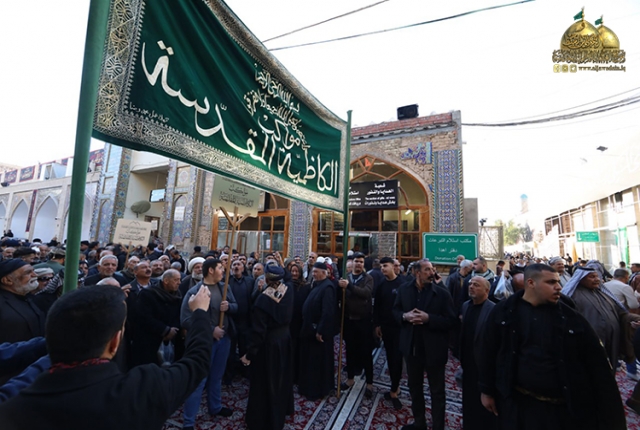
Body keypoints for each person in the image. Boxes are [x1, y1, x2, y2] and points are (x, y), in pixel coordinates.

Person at [0, 283, 214, 430]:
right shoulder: (141, 390)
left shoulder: (12, 410)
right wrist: (200, 313)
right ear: (115, 342)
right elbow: (196, 361)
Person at [479, 264, 627, 430]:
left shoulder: (570, 318)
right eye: (550, 282)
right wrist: (487, 390)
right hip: (518, 405)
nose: (558, 287)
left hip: (562, 409)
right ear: (531, 283)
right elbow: (488, 351)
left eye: (557, 282)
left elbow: (598, 367)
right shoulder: (505, 312)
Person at [393, 259, 457, 430]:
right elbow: (395, 311)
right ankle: (419, 422)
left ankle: (438, 426)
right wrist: (404, 317)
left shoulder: (442, 293)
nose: (431, 273)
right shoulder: (404, 290)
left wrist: (429, 319)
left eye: (432, 269)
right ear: (416, 272)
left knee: (437, 391)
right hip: (412, 348)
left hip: (434, 349)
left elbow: (451, 321)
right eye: (427, 270)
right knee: (415, 387)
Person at [181, 258, 238, 429]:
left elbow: (236, 306)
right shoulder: (196, 292)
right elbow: (185, 319)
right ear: (211, 270)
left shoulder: (224, 288)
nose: (223, 270)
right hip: (205, 343)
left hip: (224, 340)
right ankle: (189, 421)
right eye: (220, 268)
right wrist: (211, 329)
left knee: (217, 376)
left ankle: (215, 406)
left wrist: (229, 307)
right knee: (199, 380)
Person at [241, 265, 294, 430]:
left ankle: (265, 420)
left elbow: (258, 332)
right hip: (285, 339)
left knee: (265, 383)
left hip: (269, 345)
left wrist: (249, 354)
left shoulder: (263, 300)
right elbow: (289, 278)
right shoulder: (288, 290)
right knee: (282, 378)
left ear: (266, 279)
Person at [459, 277, 496, 430]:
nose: (471, 287)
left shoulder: (493, 310)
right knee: (469, 401)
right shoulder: (466, 306)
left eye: (476, 285)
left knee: (484, 407)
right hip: (467, 363)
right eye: (470, 284)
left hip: (483, 365)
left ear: (487, 290)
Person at [0, 259, 45, 384]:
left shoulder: (27, 298)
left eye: (33, 271)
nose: (35, 275)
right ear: (7, 280)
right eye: (28, 273)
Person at [298, 261, 336, 400]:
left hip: (318, 332)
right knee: (309, 360)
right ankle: (308, 386)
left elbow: (328, 311)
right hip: (310, 329)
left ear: (324, 273)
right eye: (312, 272)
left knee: (317, 363)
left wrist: (320, 330)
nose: (313, 274)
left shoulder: (328, 287)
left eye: (316, 272)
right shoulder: (317, 285)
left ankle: (316, 390)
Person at [338, 252, 374, 397]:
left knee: (365, 351)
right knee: (350, 350)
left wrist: (350, 287)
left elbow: (366, 293)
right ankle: (350, 378)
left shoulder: (368, 278)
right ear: (351, 263)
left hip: (363, 320)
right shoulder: (346, 277)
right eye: (356, 261)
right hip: (349, 320)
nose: (358, 264)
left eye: (361, 262)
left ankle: (369, 383)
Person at [131, 269, 183, 366]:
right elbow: (144, 317)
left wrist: (173, 330)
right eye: (176, 280)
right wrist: (165, 330)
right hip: (149, 341)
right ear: (166, 281)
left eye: (179, 279)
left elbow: (179, 315)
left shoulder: (178, 295)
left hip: (171, 340)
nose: (179, 282)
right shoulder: (148, 293)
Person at [373, 256, 404, 410]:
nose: (383, 269)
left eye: (385, 266)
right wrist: (377, 325)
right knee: (391, 358)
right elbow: (377, 306)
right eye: (381, 266)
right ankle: (394, 387)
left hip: (400, 328)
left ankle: (395, 390)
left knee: (398, 359)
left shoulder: (403, 284)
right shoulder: (381, 285)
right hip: (386, 328)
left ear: (393, 266)